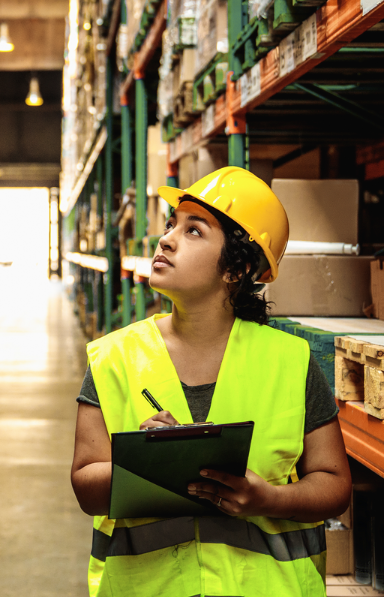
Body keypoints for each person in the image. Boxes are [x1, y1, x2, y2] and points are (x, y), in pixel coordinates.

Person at [70, 167, 351, 597]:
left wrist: (268, 500)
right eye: (171, 225)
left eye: (194, 231)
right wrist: (146, 464)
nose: (166, 239)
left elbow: (334, 485)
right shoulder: (113, 357)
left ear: (235, 269)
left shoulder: (289, 361)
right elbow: (86, 488)